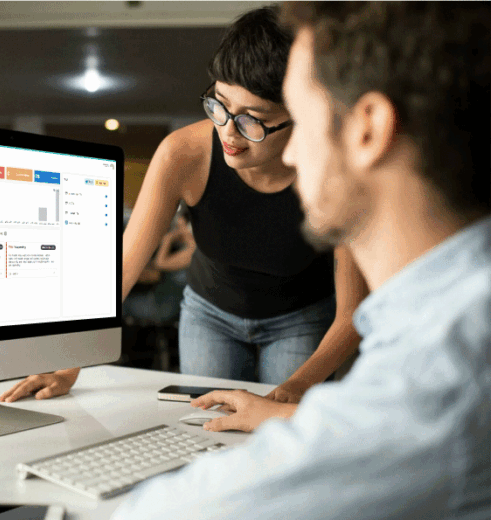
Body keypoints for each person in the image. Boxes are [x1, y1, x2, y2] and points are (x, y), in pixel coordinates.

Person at [110, 2, 491, 518]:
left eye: (299, 114)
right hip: (213, 307)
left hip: (299, 315)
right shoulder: (453, 318)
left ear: (368, 129)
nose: (289, 157)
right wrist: (280, 418)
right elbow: (367, 429)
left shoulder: (436, 376)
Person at [0, 6, 369, 407]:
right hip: (210, 312)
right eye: (219, 105)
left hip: (300, 318)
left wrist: (295, 393)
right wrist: (68, 358)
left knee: (278, 436)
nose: (228, 131)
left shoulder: (335, 171)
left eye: (252, 120)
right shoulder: (183, 154)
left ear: (301, 117)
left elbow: (352, 312)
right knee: (204, 427)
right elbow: (124, 264)